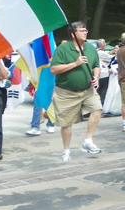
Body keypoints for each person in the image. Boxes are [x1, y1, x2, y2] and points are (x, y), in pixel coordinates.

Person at [50, 21, 102, 162]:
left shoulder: (90, 48)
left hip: (87, 89)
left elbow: (96, 65)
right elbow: (54, 69)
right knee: (67, 124)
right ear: (73, 34)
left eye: (86, 30)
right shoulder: (63, 49)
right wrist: (75, 63)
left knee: (97, 108)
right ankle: (66, 151)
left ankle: (88, 141)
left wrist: (96, 76)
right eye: (82, 30)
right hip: (66, 92)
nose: (85, 32)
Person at [96, 39, 117, 106]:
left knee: (100, 90)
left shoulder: (97, 51)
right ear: (101, 45)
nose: (105, 44)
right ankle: (101, 104)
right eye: (104, 43)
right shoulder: (100, 53)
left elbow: (107, 53)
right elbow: (110, 58)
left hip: (100, 74)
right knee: (103, 90)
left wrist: (111, 51)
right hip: (104, 74)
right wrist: (116, 54)